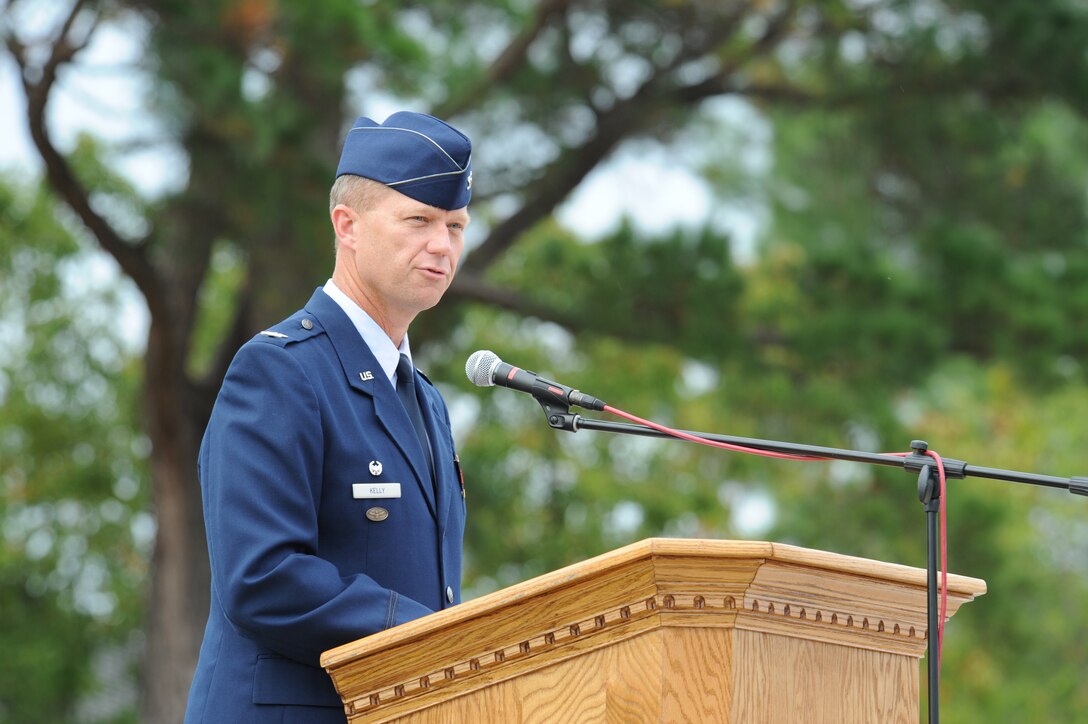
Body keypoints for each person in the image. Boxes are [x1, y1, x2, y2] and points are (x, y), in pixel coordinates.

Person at [184, 111, 472, 723]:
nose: (442, 245)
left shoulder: (425, 400)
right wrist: (443, 638)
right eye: (418, 220)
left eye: (455, 224)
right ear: (348, 225)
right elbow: (262, 576)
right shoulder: (280, 371)